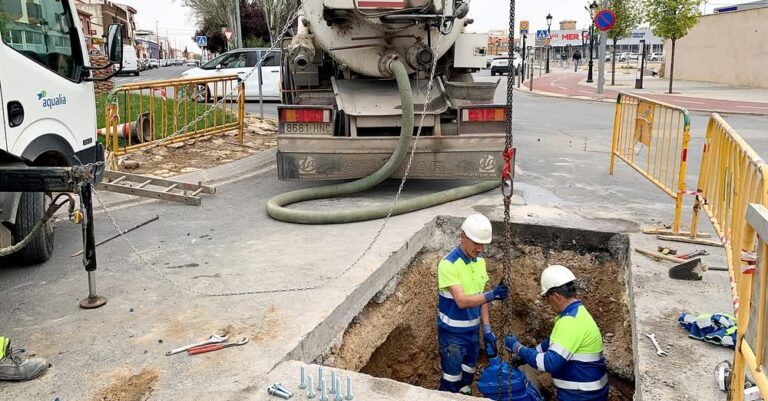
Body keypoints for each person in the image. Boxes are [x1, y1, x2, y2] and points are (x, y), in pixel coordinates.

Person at [504, 265, 608, 400]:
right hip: (590, 391)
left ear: (556, 296)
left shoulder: (570, 322)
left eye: (547, 298)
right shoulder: (578, 313)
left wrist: (517, 347)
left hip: (582, 396)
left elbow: (548, 363)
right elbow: (550, 343)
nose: (548, 303)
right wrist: (524, 357)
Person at [437, 214, 509, 395]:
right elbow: (461, 301)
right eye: (476, 243)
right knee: (451, 381)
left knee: (468, 374)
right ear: (463, 236)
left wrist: (486, 327)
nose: (480, 248)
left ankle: (465, 392)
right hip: (452, 336)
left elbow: (481, 297)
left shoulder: (480, 263)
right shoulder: (449, 264)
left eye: (483, 244)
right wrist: (492, 295)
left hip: (472, 333)